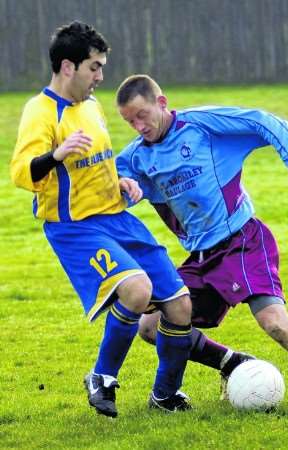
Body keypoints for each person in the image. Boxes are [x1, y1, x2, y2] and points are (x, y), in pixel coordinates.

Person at [115, 74, 288, 410]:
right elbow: (112, 188)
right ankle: (234, 364)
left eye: (142, 115)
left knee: (273, 322)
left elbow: (261, 121)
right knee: (152, 326)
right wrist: (119, 185)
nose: (138, 126)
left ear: (162, 102)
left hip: (242, 242)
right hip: (201, 258)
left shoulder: (202, 125)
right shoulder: (136, 158)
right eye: (129, 121)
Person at [10, 22, 196, 418]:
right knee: (136, 290)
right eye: (94, 67)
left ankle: (165, 396)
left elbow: (100, 162)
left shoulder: (92, 108)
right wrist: (56, 155)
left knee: (180, 306)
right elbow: (22, 172)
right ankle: (102, 378)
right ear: (67, 67)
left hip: (116, 218)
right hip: (75, 227)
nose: (100, 76)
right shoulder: (39, 112)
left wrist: (122, 180)